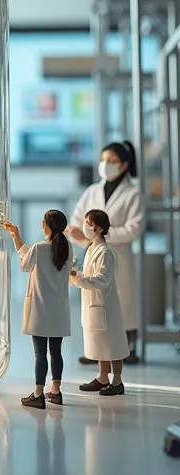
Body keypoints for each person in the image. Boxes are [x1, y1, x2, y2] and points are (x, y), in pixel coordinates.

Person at [68, 139, 144, 364]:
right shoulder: (93, 191)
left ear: (124, 165)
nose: (106, 164)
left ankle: (126, 350)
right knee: (95, 305)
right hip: (94, 254)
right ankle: (96, 351)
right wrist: (80, 234)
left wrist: (99, 234)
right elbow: (77, 219)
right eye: (103, 160)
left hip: (119, 256)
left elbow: (134, 228)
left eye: (112, 161)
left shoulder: (133, 193)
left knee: (121, 307)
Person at [4, 209, 73, 409]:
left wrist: (16, 238)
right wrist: (16, 237)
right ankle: (56, 391)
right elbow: (32, 257)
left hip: (40, 309)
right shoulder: (66, 247)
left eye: (43, 222)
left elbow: (26, 265)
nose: (41, 225)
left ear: (48, 226)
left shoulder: (39, 247)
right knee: (56, 352)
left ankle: (38, 394)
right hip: (59, 309)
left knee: (40, 354)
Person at [70, 209, 128, 396]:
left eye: (89, 222)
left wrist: (80, 278)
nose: (85, 226)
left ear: (100, 228)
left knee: (113, 343)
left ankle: (117, 381)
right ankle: (103, 377)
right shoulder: (91, 249)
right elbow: (88, 277)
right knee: (100, 343)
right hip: (93, 303)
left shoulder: (105, 252)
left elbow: (103, 279)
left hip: (105, 303)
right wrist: (77, 277)